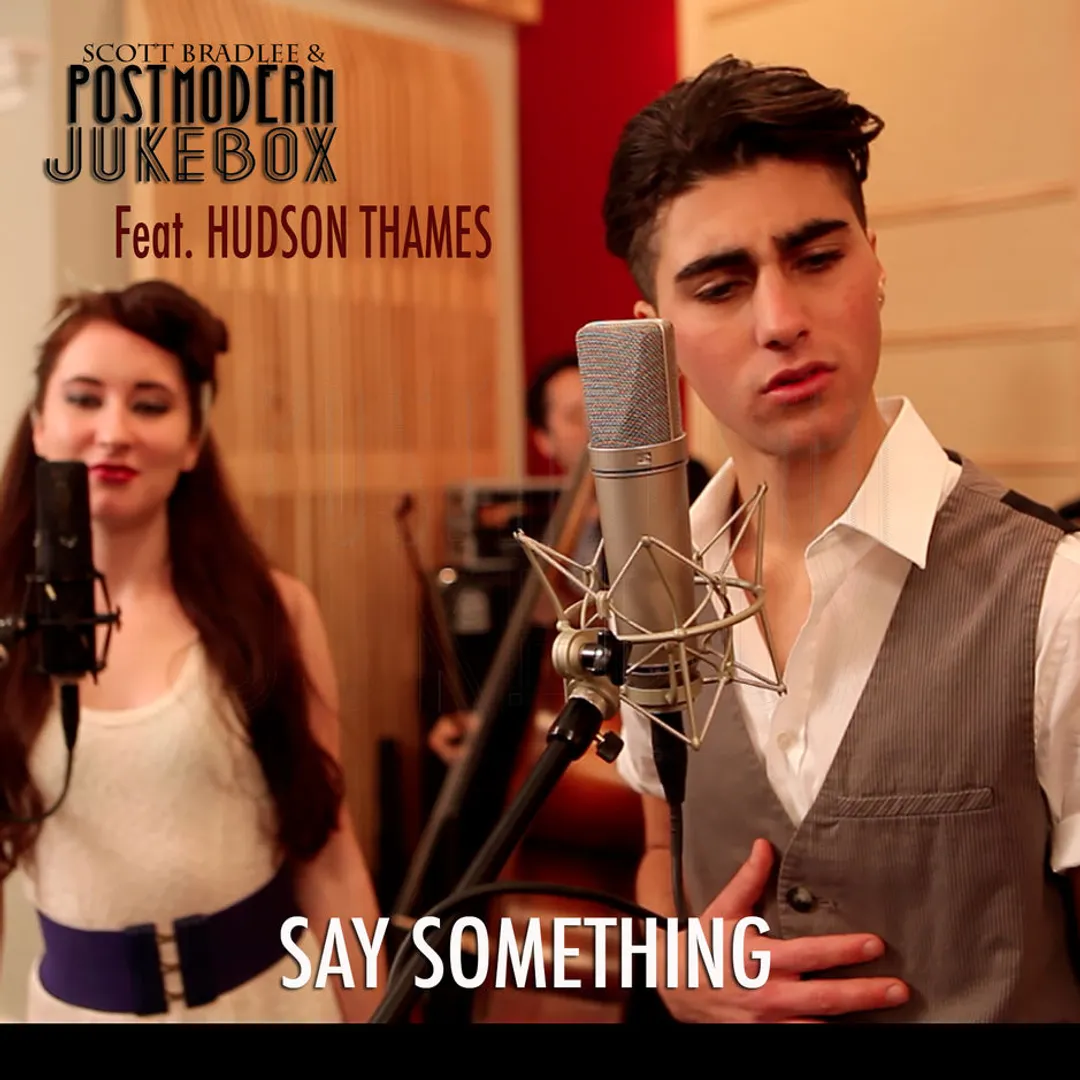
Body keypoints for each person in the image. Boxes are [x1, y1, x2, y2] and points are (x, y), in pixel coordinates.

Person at [601, 55, 1080, 1022]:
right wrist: (675, 969)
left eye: (817, 260)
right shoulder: (653, 585)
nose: (781, 321)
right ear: (654, 338)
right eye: (721, 287)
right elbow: (663, 844)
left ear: (876, 263)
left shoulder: (1054, 593)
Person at [0, 280, 384, 1022]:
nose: (114, 431)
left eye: (150, 405)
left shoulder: (274, 614)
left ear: (193, 441)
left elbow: (330, 858)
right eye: (84, 399)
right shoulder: (7, 633)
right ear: (41, 423)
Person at [427, 352, 712, 762]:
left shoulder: (682, 486)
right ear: (544, 439)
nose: (598, 428)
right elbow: (534, 666)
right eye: (579, 416)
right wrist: (484, 722)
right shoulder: (538, 533)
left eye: (606, 411)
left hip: (682, 715)